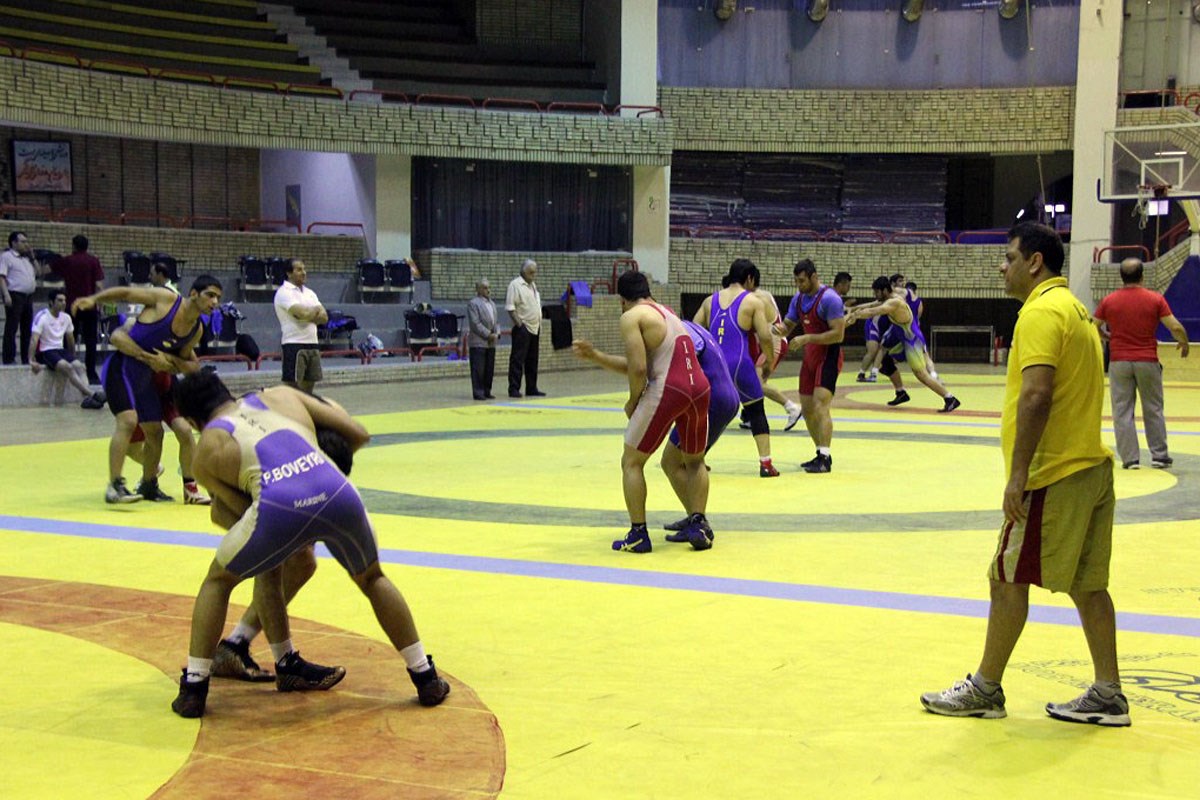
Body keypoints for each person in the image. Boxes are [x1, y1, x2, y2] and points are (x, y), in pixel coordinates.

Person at [921, 222, 1129, 727]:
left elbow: (1036, 394)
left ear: (1035, 262)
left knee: (1006, 577)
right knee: (1088, 585)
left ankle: (985, 688)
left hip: (1053, 472)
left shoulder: (1039, 312)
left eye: (1010, 257)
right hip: (1091, 467)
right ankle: (1108, 692)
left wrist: (1018, 475)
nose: (1002, 267)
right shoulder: (1076, 309)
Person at [168, 370, 450, 717]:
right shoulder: (280, 395)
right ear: (227, 390)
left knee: (218, 580)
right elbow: (358, 434)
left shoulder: (208, 449)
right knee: (373, 578)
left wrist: (293, 517)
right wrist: (314, 467)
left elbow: (239, 513)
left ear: (191, 420)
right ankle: (426, 677)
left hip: (278, 506)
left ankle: (194, 687)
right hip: (336, 489)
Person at [573, 271, 711, 553]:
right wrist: (596, 356)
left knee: (631, 462)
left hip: (670, 389)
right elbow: (641, 364)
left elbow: (638, 370)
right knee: (695, 461)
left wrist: (633, 401)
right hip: (700, 387)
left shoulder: (631, 317)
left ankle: (638, 534)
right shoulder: (667, 313)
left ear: (622, 300)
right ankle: (699, 524)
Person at [578, 316, 738, 549]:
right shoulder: (687, 328)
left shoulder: (676, 333)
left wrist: (599, 359)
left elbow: (641, 369)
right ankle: (696, 520)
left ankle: (696, 521)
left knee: (672, 462)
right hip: (720, 394)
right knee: (679, 461)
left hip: (710, 398)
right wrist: (597, 356)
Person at [74, 276, 222, 504]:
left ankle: (149, 484)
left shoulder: (196, 330)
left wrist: (168, 361)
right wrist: (94, 299)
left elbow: (187, 365)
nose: (215, 302)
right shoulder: (166, 300)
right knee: (127, 421)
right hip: (122, 369)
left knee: (155, 432)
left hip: (147, 379)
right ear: (194, 294)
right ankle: (115, 486)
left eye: (218, 298)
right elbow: (126, 294)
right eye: (210, 295)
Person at [1092, 257, 1190, 470]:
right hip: (1147, 360)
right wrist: (1183, 343)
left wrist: (1107, 337)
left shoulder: (1108, 301)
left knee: (1122, 410)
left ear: (1121, 277)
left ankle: (1130, 459)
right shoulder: (1155, 299)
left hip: (1119, 362)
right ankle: (1159, 456)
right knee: (1153, 408)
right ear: (1142, 276)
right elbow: (1175, 327)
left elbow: (1093, 326)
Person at [694, 259, 779, 477]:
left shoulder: (709, 301)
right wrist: (769, 361)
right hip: (740, 364)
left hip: (714, 365)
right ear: (749, 278)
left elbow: (693, 330)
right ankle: (766, 464)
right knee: (756, 410)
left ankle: (696, 458)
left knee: (711, 413)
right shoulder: (752, 301)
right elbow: (765, 336)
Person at [847, 277, 961, 412]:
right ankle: (901, 392)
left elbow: (873, 311)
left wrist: (855, 316)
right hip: (904, 340)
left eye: (876, 292)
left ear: (884, 290)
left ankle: (949, 398)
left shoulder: (894, 302)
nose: (875, 295)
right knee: (886, 362)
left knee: (921, 375)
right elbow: (871, 305)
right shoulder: (889, 298)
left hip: (912, 341)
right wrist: (851, 309)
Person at [777, 259, 846, 473]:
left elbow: (838, 335)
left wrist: (807, 338)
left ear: (814, 277)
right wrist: (770, 329)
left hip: (828, 356)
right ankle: (820, 453)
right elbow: (787, 326)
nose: (799, 285)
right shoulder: (798, 299)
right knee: (807, 409)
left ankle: (825, 458)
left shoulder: (830, 299)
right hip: (810, 358)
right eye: (796, 281)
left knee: (820, 405)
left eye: (802, 281)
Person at [28, 290, 106, 409]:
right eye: (60, 300)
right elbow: (34, 339)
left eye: (64, 300)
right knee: (67, 367)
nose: (64, 303)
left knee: (80, 366)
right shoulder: (42, 316)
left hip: (60, 350)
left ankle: (87, 400)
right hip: (46, 351)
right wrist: (31, 360)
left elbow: (70, 339)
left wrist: (73, 357)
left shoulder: (66, 317)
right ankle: (92, 394)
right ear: (51, 302)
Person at [748, 285, 804, 433]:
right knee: (753, 381)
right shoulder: (763, 293)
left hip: (773, 344)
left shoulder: (757, 298)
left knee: (758, 383)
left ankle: (792, 408)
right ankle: (750, 415)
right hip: (770, 342)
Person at [52, 234, 105, 383]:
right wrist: (100, 303)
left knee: (69, 337)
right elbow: (99, 285)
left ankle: (68, 368)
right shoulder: (93, 261)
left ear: (74, 246)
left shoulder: (68, 260)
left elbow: (48, 269)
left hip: (72, 305)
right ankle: (91, 373)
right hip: (89, 305)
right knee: (91, 341)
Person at [274, 259, 327, 394]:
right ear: (289, 273)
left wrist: (307, 314)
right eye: (299, 270)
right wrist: (312, 312)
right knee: (292, 389)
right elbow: (303, 314)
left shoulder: (310, 293)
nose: (303, 273)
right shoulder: (284, 292)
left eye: (304, 269)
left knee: (309, 389)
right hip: (294, 344)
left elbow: (324, 317)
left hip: (312, 343)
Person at [1, 230, 44, 365]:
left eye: (27, 241)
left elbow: (39, 273)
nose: (26, 244)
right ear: (14, 243)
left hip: (28, 296)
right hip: (14, 294)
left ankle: (27, 358)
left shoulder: (27, 259)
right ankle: (9, 358)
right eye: (23, 242)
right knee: (12, 327)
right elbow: (2, 277)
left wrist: (33, 257)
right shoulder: (7, 256)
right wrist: (6, 294)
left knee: (27, 328)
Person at [506, 258, 544, 398]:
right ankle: (514, 388)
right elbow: (510, 308)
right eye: (531, 273)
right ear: (523, 272)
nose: (534, 275)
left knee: (533, 359)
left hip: (535, 327)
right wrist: (520, 325)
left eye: (535, 272)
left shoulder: (533, 285)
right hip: (523, 328)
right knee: (517, 359)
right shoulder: (515, 285)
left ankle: (531, 387)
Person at [467, 278, 500, 400]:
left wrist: (497, 333)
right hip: (478, 342)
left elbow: (495, 321)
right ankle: (478, 392)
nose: (488, 290)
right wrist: (488, 334)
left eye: (489, 287)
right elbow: (475, 324)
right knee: (478, 369)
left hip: (491, 342)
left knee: (489, 368)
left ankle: (487, 390)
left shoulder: (492, 304)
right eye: (485, 288)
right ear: (478, 289)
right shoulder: (473, 303)